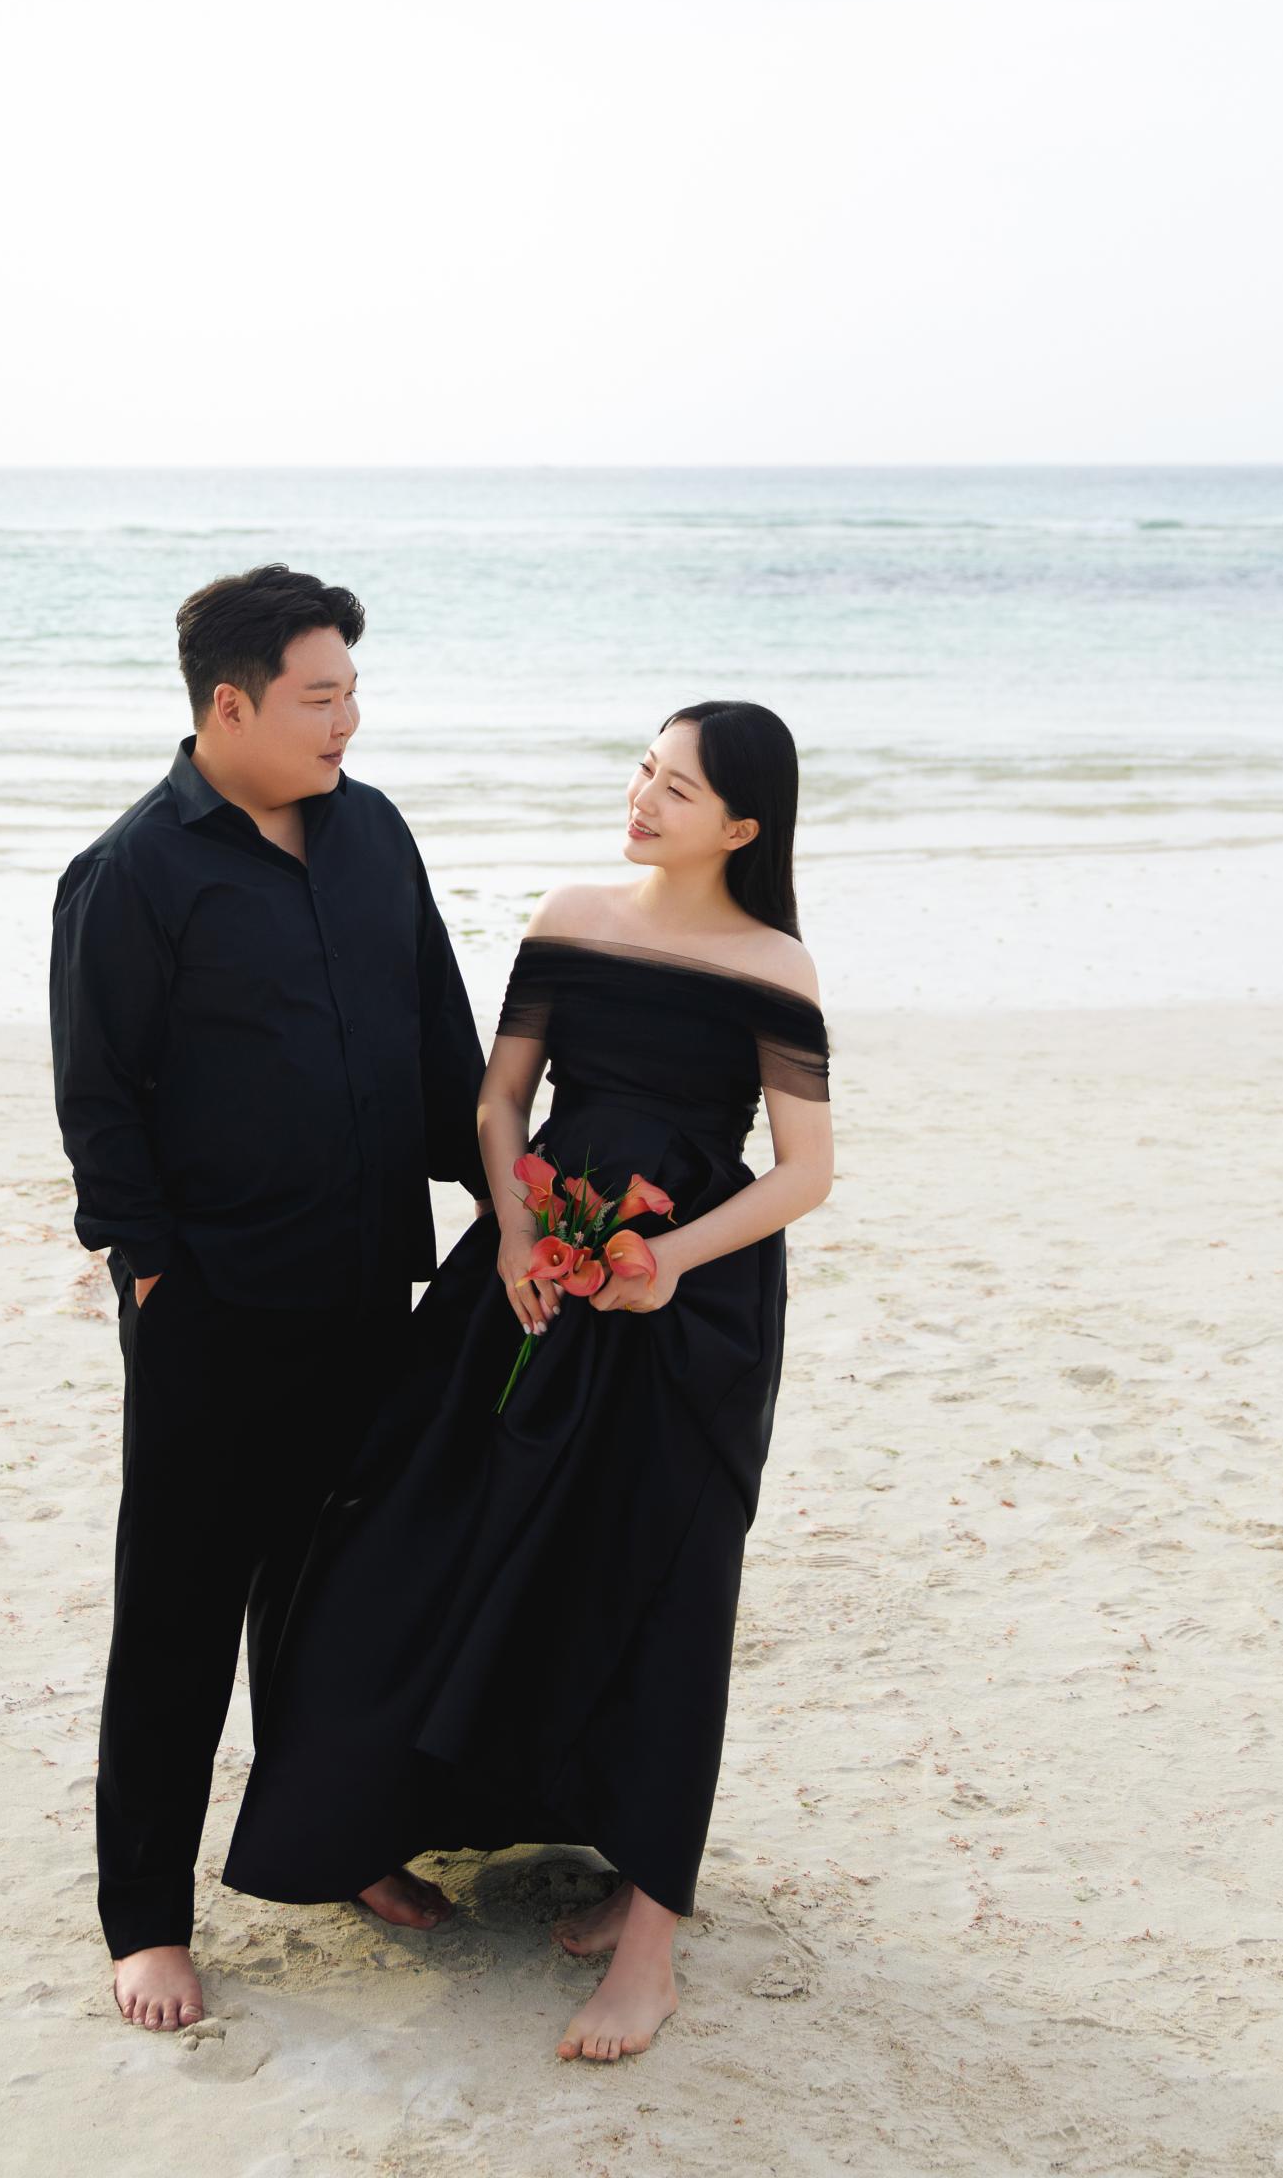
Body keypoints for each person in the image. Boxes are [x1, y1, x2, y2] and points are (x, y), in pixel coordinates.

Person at [224, 699, 835, 2062]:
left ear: (742, 827)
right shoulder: (571, 916)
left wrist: (668, 1261)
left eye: (677, 790)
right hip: (526, 1280)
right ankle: (368, 1825)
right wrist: (511, 1228)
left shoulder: (773, 965)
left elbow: (807, 1171)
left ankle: (649, 1943)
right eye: (644, 770)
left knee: (664, 1588)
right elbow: (502, 1099)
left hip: (687, 1316)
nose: (642, 800)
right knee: (413, 1530)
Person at [49, 563, 492, 2032]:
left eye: (353, 693)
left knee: (342, 1597)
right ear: (229, 709)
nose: (347, 722)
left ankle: (337, 1844)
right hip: (213, 1312)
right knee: (179, 1614)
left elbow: (439, 1038)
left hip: (368, 1284)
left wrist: (508, 1192)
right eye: (319, 698)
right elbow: (99, 1101)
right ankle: (145, 1919)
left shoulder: (374, 834)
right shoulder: (132, 873)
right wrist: (154, 1273)